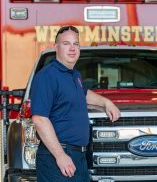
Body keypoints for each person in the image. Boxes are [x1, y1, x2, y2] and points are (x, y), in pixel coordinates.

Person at [30, 26, 120, 182]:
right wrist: (60, 155)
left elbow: (84, 95)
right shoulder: (47, 76)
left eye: (76, 44)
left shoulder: (74, 75)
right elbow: (39, 119)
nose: (72, 48)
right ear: (56, 47)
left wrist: (106, 103)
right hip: (57, 157)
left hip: (78, 156)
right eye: (66, 43)